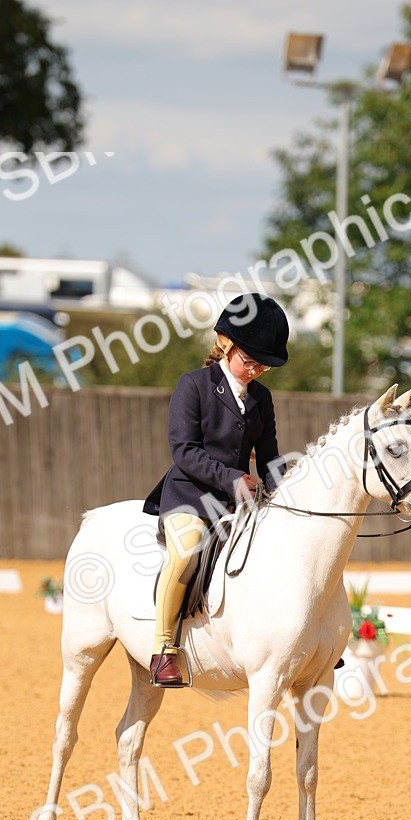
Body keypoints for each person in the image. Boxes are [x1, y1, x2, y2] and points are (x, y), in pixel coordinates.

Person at [143, 293, 289, 687]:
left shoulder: (262, 398)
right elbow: (185, 451)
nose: (256, 370)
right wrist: (232, 479)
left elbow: (271, 457)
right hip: (192, 497)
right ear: (226, 343)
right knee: (187, 550)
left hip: (240, 503)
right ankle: (164, 649)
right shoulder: (194, 385)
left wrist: (282, 499)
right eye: (250, 361)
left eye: (264, 365)